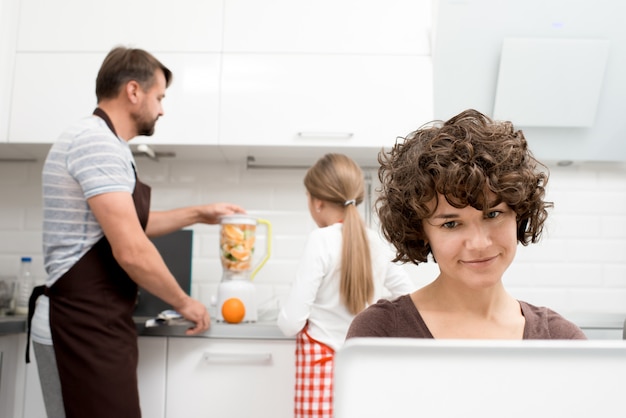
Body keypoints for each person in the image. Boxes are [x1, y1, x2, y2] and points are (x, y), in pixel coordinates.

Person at [28, 46, 246, 418]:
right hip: (78, 324)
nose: (162, 108)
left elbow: (129, 225)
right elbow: (130, 247)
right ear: (133, 91)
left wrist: (197, 213)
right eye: (159, 97)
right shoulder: (96, 143)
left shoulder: (105, 143)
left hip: (95, 322)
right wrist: (184, 302)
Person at [347, 109, 586, 340]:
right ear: (421, 231)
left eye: (493, 215)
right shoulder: (379, 333)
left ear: (519, 213)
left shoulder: (561, 339)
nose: (479, 243)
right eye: (451, 224)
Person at [277, 153, 415, 418]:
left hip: (319, 367)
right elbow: (411, 300)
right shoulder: (376, 242)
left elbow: (291, 322)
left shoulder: (320, 240)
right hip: (363, 364)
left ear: (317, 202)